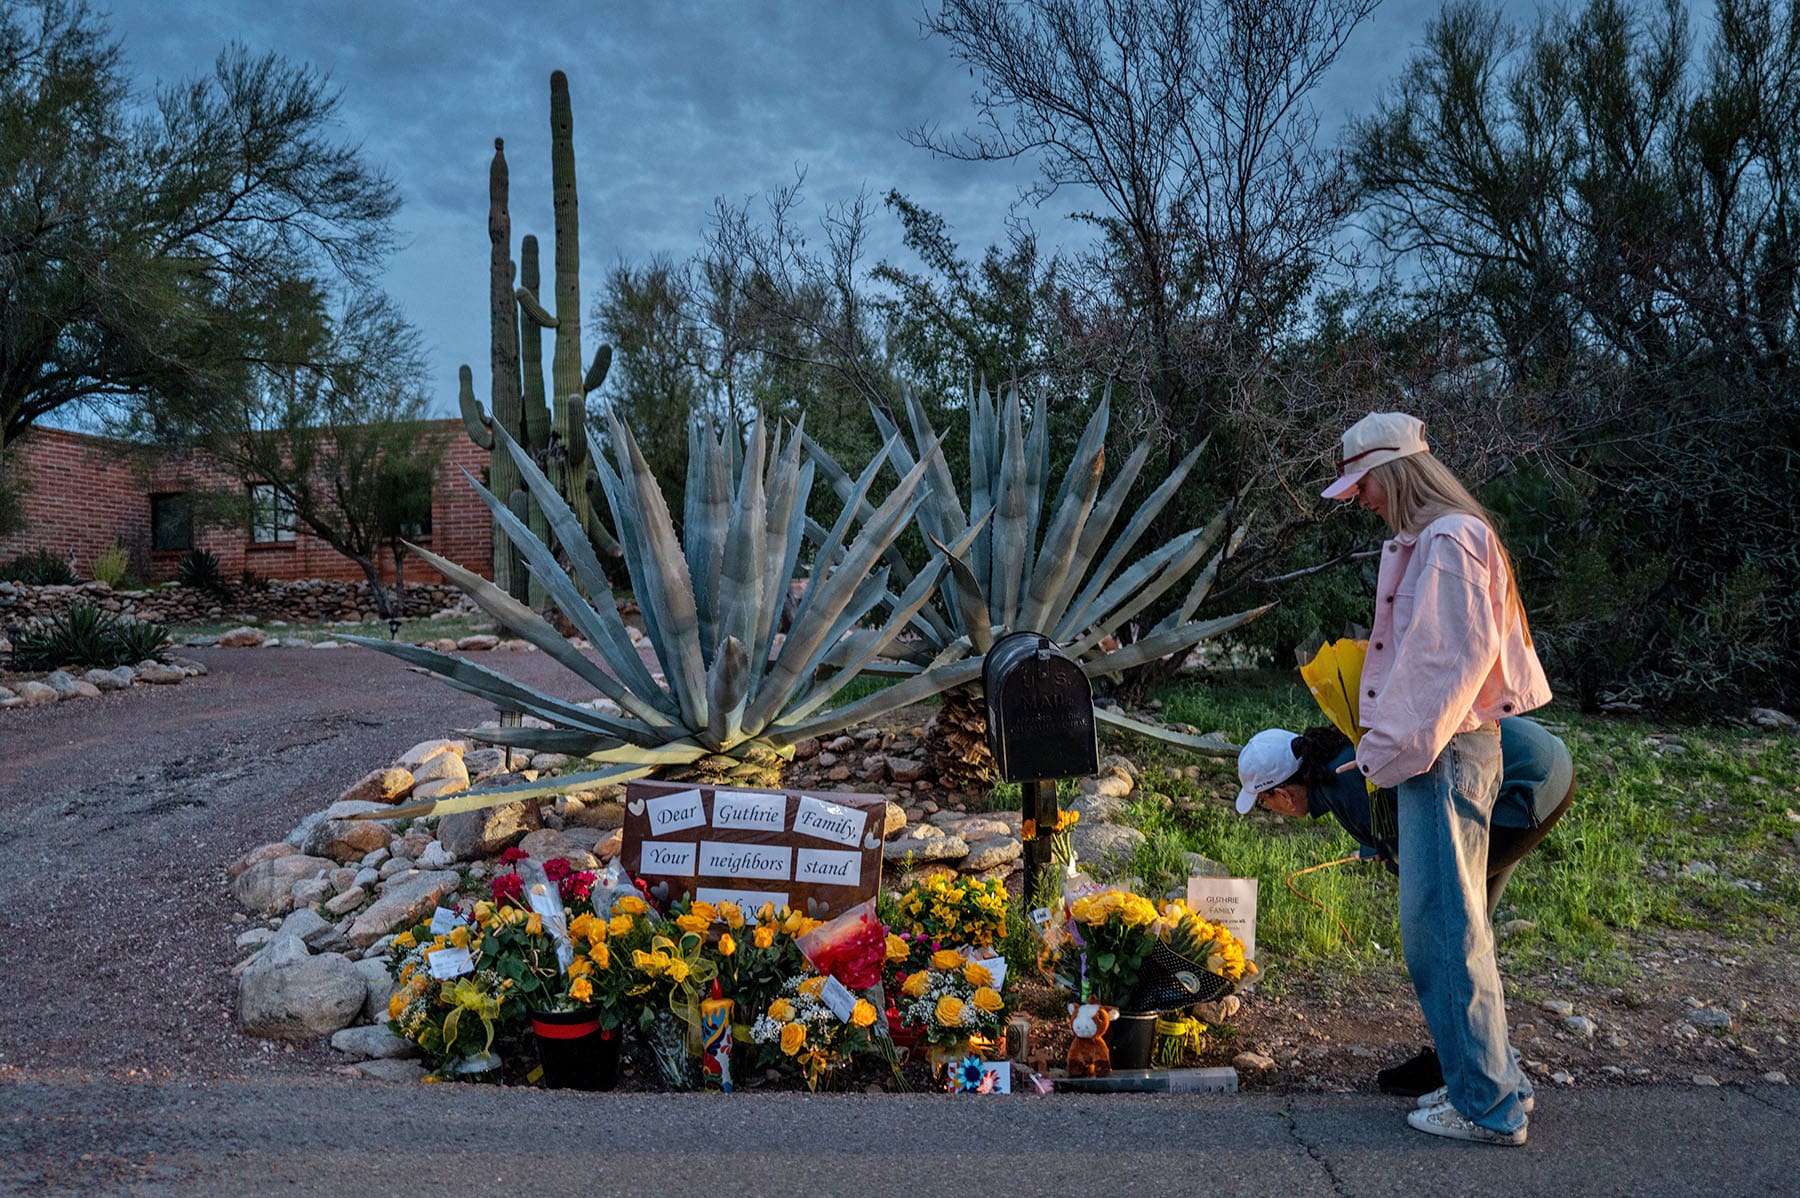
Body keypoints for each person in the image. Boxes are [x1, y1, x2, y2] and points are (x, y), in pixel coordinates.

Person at [1319, 411, 1549, 1145]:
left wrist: (1382, 751)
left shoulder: (1447, 541)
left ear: (1393, 473)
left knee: (1442, 931)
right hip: (1449, 750)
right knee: (1455, 927)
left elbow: (1442, 666)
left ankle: (1488, 1106)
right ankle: (1493, 1084)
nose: (1361, 500)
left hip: (1441, 753)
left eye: (1364, 486)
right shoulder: (1451, 535)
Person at [1234, 716, 1575, 1098]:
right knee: (1467, 931)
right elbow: (1403, 822)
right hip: (1538, 764)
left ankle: (1475, 1081)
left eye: (1264, 802)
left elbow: (1416, 866)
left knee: (1444, 936)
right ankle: (1485, 1064)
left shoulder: (1343, 786)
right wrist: (1384, 848)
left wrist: (1392, 854)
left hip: (1521, 788)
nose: (1270, 809)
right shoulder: (1343, 757)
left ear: (1282, 793)